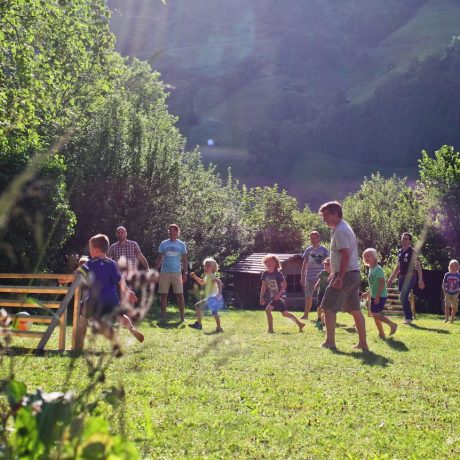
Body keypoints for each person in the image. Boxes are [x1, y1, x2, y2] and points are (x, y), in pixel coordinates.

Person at [75, 234, 144, 350]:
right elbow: (120, 281)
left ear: (96, 250)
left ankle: (79, 345)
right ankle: (131, 329)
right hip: (111, 300)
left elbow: (76, 274)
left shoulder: (90, 264)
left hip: (94, 300)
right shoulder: (112, 264)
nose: (90, 251)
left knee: (82, 318)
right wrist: (129, 292)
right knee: (121, 316)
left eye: (90, 248)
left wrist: (64, 279)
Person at [318, 201, 368, 350]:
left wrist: (339, 276)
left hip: (345, 275)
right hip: (352, 274)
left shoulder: (340, 231)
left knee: (327, 306)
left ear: (335, 214)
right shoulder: (341, 228)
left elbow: (345, 255)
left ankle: (330, 342)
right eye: (323, 216)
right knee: (355, 309)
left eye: (326, 215)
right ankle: (363, 344)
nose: (324, 219)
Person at [260, 254, 305, 334]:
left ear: (276, 264)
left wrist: (278, 295)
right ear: (265, 263)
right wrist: (261, 297)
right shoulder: (265, 274)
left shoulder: (278, 274)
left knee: (267, 310)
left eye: (272, 262)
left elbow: (284, 285)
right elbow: (264, 286)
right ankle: (300, 324)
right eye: (268, 262)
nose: (270, 263)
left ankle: (270, 330)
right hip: (274, 296)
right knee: (285, 314)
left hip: (280, 296)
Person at [387, 232, 425, 324]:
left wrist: (420, 279)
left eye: (406, 239)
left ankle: (408, 318)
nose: (404, 240)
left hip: (411, 277)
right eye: (403, 238)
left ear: (410, 241)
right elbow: (398, 267)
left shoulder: (413, 251)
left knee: (403, 296)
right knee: (402, 297)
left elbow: (418, 266)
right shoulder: (399, 252)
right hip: (401, 277)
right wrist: (391, 278)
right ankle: (408, 317)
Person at [154, 224, 188, 323]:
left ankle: (182, 318)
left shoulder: (181, 244)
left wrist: (185, 273)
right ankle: (163, 317)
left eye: (173, 231)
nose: (171, 233)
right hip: (164, 272)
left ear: (177, 232)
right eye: (170, 231)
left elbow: (185, 260)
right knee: (164, 295)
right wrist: (155, 271)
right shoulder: (163, 243)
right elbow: (159, 259)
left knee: (180, 295)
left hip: (177, 273)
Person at [361, 248, 397, 339]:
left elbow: (382, 284)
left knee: (376, 314)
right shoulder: (371, 269)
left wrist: (377, 296)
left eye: (368, 256)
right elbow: (373, 285)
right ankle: (381, 334)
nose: (366, 258)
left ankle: (392, 325)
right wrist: (367, 293)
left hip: (380, 296)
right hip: (375, 296)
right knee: (375, 315)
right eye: (364, 256)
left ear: (374, 257)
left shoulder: (378, 269)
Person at [188, 258, 224, 333]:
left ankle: (199, 324)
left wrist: (219, 293)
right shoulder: (208, 276)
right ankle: (219, 328)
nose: (206, 267)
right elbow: (201, 282)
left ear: (213, 268)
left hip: (212, 297)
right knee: (214, 312)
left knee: (198, 306)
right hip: (212, 297)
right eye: (205, 266)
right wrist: (194, 276)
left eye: (208, 266)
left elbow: (219, 282)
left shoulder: (211, 276)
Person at [300, 231, 329, 321]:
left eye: (314, 238)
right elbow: (304, 264)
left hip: (322, 277)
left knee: (323, 297)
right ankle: (305, 315)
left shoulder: (324, 250)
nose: (313, 240)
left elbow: (329, 262)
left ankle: (322, 317)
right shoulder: (308, 250)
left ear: (318, 238)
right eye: (311, 238)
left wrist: (329, 275)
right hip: (309, 276)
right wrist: (302, 277)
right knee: (308, 296)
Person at [313, 257, 332, 330]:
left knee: (326, 309)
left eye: (328, 264)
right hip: (321, 291)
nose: (326, 266)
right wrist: (316, 285)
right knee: (319, 306)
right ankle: (319, 318)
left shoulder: (334, 274)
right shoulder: (322, 272)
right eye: (325, 264)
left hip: (329, 293)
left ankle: (321, 322)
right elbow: (320, 280)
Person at [442, 259, 460, 323]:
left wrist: (458, 292)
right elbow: (444, 283)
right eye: (452, 266)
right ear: (449, 266)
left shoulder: (459, 275)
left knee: (454, 307)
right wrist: (444, 291)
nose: (453, 267)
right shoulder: (447, 274)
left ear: (458, 267)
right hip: (448, 292)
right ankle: (446, 318)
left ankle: (452, 320)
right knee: (446, 306)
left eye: (455, 266)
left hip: (455, 293)